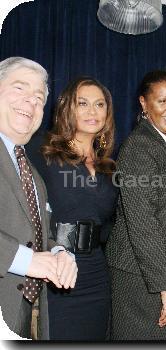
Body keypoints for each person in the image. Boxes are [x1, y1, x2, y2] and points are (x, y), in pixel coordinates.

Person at [105, 70, 166, 340]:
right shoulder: (139, 147)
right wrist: (164, 285)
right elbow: (142, 223)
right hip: (142, 276)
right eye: (163, 101)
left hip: (165, 269)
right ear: (144, 104)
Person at [28, 77, 118, 340]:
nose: (93, 111)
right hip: (55, 272)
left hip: (97, 274)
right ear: (67, 108)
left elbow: (109, 225)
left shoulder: (109, 168)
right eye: (83, 103)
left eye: (99, 104)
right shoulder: (41, 150)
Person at [0, 57, 77, 340]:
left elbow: (39, 235)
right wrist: (26, 260)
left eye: (39, 98)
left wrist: (59, 254)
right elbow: (27, 254)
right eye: (19, 89)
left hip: (27, 314)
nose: (30, 102)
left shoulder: (30, 171)